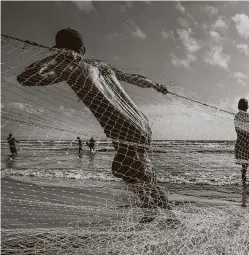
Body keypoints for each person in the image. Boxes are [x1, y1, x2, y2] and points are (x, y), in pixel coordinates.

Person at [16, 28, 173, 222]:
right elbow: (133, 78)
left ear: (61, 49)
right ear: (82, 49)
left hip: (121, 126)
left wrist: (53, 58)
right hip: (141, 123)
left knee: (142, 175)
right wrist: (155, 85)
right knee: (126, 170)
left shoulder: (69, 67)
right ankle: (151, 209)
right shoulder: (100, 65)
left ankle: (171, 216)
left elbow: (26, 78)